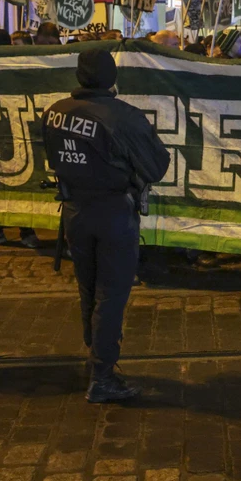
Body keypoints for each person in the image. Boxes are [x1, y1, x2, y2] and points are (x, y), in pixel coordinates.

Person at [41, 48, 170, 402]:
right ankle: (102, 376)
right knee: (111, 295)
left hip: (74, 211)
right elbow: (158, 165)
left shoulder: (55, 112)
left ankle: (94, 354)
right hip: (113, 213)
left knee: (88, 288)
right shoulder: (121, 115)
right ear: (111, 78)